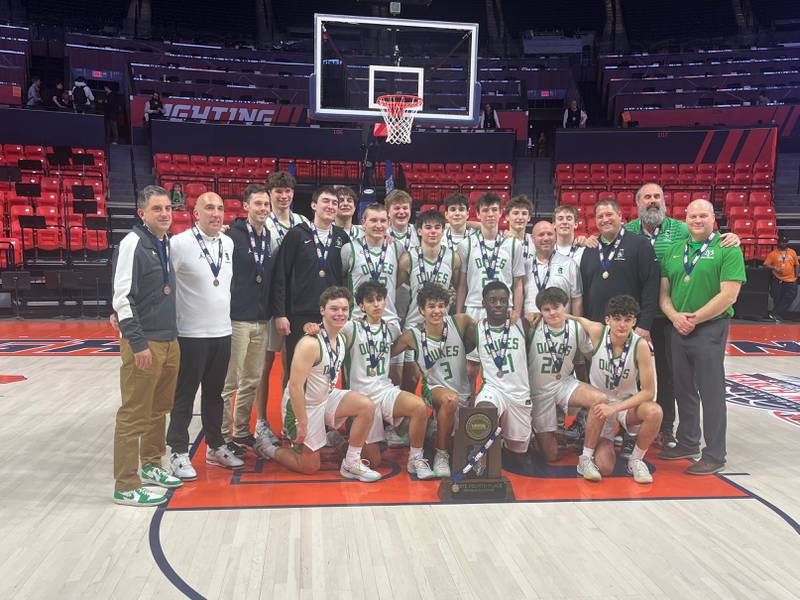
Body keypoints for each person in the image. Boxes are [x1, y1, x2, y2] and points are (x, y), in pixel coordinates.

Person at [625, 182, 740, 448]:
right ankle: (630, 425)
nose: (652, 201)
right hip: (640, 312)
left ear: (664, 201)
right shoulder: (628, 230)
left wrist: (733, 237)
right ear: (638, 202)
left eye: (657, 196)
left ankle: (666, 427)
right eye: (647, 197)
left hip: (673, 316)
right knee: (633, 371)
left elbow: (707, 241)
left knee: (670, 374)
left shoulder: (681, 229)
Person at [305, 280, 434, 479]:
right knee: (374, 462)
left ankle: (416, 459)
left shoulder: (392, 329)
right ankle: (340, 441)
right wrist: (311, 326)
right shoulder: (351, 328)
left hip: (384, 390)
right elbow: (327, 331)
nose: (377, 304)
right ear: (361, 306)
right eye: (370, 301)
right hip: (362, 397)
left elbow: (395, 358)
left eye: (380, 299)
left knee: (418, 407)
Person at [258, 287, 381, 482]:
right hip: (302, 406)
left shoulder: (341, 337)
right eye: (334, 309)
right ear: (322, 310)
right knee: (310, 467)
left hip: (325, 398)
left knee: (366, 406)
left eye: (344, 309)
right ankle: (269, 449)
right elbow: (295, 387)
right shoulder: (310, 344)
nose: (340, 314)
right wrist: (302, 423)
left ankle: (351, 462)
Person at [659, 199, 746, 474]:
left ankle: (715, 453)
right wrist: (674, 316)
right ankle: (687, 442)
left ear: (713, 219)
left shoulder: (727, 247)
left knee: (711, 391)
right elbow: (664, 293)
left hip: (709, 327)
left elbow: (729, 294)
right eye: (693, 216)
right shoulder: (674, 250)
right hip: (677, 325)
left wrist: (695, 318)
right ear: (685, 219)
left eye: (703, 216)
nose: (697, 220)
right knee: (682, 388)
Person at [111, 185, 182, 506]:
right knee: (134, 414)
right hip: (145, 343)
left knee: (158, 410)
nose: (165, 214)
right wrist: (136, 342)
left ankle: (152, 465)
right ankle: (126, 485)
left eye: (167, 208)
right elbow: (122, 297)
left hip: (169, 340)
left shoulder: (164, 242)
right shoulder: (132, 243)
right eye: (157, 209)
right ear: (142, 213)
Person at [166, 192, 241, 480]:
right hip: (190, 333)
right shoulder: (180, 244)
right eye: (209, 207)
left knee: (214, 395)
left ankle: (215, 445)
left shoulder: (229, 243)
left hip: (222, 331)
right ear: (195, 213)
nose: (216, 213)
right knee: (184, 395)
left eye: (220, 208)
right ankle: (178, 450)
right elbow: (165, 283)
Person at [569, 295, 661, 483]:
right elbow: (577, 319)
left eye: (628, 320)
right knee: (605, 468)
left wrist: (616, 408)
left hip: (626, 405)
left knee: (654, 411)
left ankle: (636, 461)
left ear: (634, 321)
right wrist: (540, 314)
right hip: (600, 408)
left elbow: (649, 392)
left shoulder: (640, 345)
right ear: (607, 320)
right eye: (617, 319)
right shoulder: (597, 332)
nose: (622, 325)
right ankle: (585, 459)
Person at [392, 283, 476, 478]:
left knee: (462, 450)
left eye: (440, 305)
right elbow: (383, 352)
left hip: (463, 391)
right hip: (433, 389)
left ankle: (433, 433)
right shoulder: (411, 336)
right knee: (449, 400)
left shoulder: (460, 322)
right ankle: (441, 456)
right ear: (421, 309)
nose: (437, 311)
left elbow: (488, 327)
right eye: (431, 306)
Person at [220, 184, 278, 458]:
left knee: (252, 379)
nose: (263, 209)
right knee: (231, 380)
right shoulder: (231, 235)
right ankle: (222, 435)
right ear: (246, 206)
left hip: (260, 318)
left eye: (266, 204)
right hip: (237, 319)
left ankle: (241, 431)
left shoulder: (268, 236)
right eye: (258, 204)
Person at [271, 185, 350, 370]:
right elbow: (281, 274)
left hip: (331, 315)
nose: (331, 206)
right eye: (326, 201)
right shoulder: (297, 234)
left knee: (324, 369)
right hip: (300, 314)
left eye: (334, 203)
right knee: (297, 372)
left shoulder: (341, 238)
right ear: (314, 205)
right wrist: (280, 314)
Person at [254, 171, 308, 440]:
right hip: (268, 300)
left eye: (287, 191)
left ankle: (288, 417)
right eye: (278, 191)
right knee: (264, 363)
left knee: (291, 364)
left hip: (293, 301)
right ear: (270, 194)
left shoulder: (302, 222)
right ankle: (261, 420)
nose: (284, 196)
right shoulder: (264, 222)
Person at [526, 287, 606, 466]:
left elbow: (592, 356)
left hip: (563, 383)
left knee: (599, 399)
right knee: (551, 456)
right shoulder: (532, 327)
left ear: (565, 306)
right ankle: (535, 433)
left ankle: (586, 456)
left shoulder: (576, 327)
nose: (552, 313)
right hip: (539, 392)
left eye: (556, 307)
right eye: (546, 309)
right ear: (540, 311)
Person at [456, 192, 525, 393]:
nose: (490, 214)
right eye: (485, 210)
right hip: (475, 308)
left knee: (500, 362)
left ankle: (495, 413)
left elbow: (518, 283)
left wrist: (516, 311)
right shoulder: (466, 244)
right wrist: (460, 314)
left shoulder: (513, 244)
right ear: (477, 214)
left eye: (494, 209)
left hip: (503, 311)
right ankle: (467, 409)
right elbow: (461, 285)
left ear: (501, 213)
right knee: (471, 367)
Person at [398, 209, 461, 394]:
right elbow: (395, 290)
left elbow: (457, 288)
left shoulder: (453, 257)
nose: (432, 231)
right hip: (414, 322)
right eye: (428, 227)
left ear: (443, 231)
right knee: (410, 376)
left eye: (437, 227)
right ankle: (411, 416)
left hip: (440, 324)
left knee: (440, 376)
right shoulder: (407, 258)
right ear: (419, 231)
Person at [340, 202, 405, 383]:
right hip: (358, 319)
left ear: (389, 223)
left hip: (389, 319)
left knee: (393, 376)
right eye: (373, 220)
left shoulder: (397, 247)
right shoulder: (349, 249)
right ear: (364, 222)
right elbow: (342, 280)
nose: (379, 225)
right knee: (354, 376)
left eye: (383, 221)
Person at [474, 282, 533, 462]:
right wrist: (470, 394)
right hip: (493, 389)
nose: (498, 304)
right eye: (493, 300)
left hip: (518, 393)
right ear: (484, 303)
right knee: (484, 412)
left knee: (517, 454)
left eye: (503, 300)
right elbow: (469, 366)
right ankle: (480, 463)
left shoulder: (523, 324)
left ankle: (506, 438)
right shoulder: (475, 329)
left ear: (509, 303)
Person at [522, 220, 583, 319]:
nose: (546, 238)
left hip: (561, 327)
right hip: (530, 327)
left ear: (555, 237)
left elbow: (577, 299)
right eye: (541, 235)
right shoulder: (525, 265)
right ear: (533, 239)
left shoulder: (569, 264)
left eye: (550, 234)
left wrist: (576, 327)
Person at [763, 236, 798, 321]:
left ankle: (775, 313)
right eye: (782, 242)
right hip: (778, 279)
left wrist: (796, 276)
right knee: (777, 297)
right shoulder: (773, 253)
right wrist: (775, 268)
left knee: (791, 296)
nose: (784, 243)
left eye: (785, 242)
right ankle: (777, 315)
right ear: (778, 243)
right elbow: (766, 264)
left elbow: (796, 264)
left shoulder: (792, 252)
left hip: (791, 279)